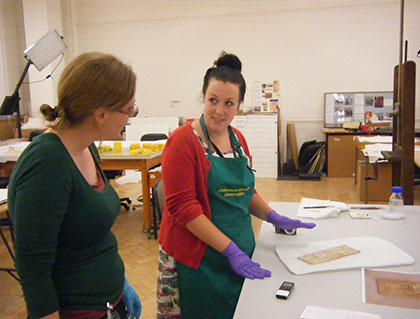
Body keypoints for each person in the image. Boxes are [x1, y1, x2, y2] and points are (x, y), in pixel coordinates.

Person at [157, 52, 316, 318]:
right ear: (203, 98)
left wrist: (272, 216)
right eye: (213, 101)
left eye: (228, 103)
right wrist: (229, 249)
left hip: (237, 250)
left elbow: (245, 191)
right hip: (196, 258)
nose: (219, 111)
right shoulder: (182, 142)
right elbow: (185, 209)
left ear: (239, 105)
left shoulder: (238, 139)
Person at [8, 52, 142, 319]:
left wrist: (118, 284)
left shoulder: (86, 147)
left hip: (109, 301)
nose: (130, 117)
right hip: (79, 309)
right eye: (128, 110)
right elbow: (33, 266)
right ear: (101, 114)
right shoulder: (47, 163)